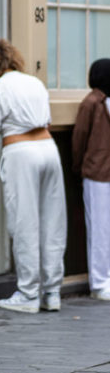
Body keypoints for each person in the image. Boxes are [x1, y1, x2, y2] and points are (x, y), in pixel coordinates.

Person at [0, 38, 67, 313]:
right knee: (53, 222)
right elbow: (46, 121)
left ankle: (27, 294)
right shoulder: (34, 82)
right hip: (49, 149)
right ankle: (52, 292)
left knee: (25, 223)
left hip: (21, 152)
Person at [72, 59, 110, 302]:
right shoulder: (98, 102)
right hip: (100, 171)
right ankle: (100, 281)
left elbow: (79, 139)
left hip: (96, 171)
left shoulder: (91, 102)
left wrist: (78, 166)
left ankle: (101, 281)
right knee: (101, 228)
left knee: (99, 227)